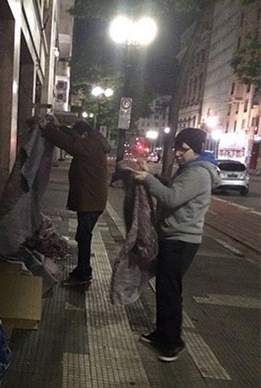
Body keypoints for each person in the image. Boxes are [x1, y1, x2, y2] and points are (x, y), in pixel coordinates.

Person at [131, 128, 220, 362]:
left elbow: (171, 198)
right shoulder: (190, 169)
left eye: (184, 149)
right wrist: (152, 177)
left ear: (196, 150)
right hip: (174, 236)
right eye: (176, 148)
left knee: (170, 291)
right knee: (165, 288)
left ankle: (173, 343)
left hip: (181, 240)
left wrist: (148, 179)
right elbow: (173, 190)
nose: (178, 154)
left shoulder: (198, 173)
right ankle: (162, 333)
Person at [40, 118, 111, 287]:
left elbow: (68, 143)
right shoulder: (93, 140)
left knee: (83, 236)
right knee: (83, 236)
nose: (77, 138)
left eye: (78, 136)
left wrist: (48, 128)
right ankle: (82, 270)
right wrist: (60, 126)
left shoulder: (89, 145)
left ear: (84, 135)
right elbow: (72, 138)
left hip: (90, 201)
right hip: (91, 199)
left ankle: (83, 273)